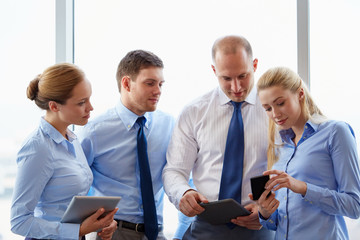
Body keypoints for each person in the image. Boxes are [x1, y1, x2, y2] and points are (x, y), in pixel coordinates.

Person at [162, 35, 274, 239]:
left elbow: (290, 171)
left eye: (243, 76)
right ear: (214, 71)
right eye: (226, 78)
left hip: (260, 225)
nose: (236, 87)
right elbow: (174, 171)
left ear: (255, 65)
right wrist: (184, 194)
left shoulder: (275, 112)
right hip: (206, 226)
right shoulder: (194, 112)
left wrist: (269, 212)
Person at [10, 63, 118, 240]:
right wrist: (78, 230)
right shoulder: (38, 148)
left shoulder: (71, 139)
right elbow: (19, 221)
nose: (90, 107)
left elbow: (69, 201)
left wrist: (102, 221)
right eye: (81, 102)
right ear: (54, 106)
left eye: (89, 99)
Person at [78, 50, 175, 240]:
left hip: (157, 233)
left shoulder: (169, 124)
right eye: (150, 83)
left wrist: (181, 232)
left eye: (160, 84)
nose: (158, 91)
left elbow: (182, 177)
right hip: (111, 232)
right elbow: (77, 187)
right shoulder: (95, 131)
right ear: (126, 83)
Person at [254, 66, 360, 239]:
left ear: (300, 94)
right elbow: (276, 223)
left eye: (280, 103)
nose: (275, 114)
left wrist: (302, 188)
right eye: (267, 108)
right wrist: (265, 211)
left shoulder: (335, 132)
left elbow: (354, 206)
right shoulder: (279, 145)